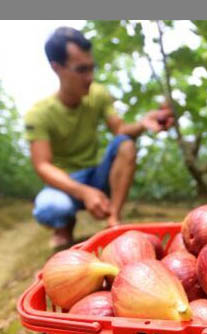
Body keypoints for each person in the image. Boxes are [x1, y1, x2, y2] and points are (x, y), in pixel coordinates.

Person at [24, 26, 174, 248]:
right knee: (51, 208)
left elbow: (120, 131)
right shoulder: (39, 114)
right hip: (65, 182)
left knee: (125, 145)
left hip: (96, 175)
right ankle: (64, 225)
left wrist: (143, 123)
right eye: (81, 70)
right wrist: (83, 192)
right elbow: (43, 166)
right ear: (57, 68)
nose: (90, 77)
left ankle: (113, 220)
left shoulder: (98, 95)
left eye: (91, 68)